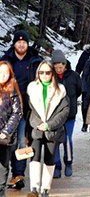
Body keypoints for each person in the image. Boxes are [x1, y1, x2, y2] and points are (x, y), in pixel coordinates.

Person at [1, 29, 42, 190]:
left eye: (24, 42)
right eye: (18, 42)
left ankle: (19, 174)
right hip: (7, 108)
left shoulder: (35, 60)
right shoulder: (6, 60)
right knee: (7, 142)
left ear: (27, 43)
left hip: (27, 108)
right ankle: (6, 173)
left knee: (22, 140)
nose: (21, 44)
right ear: (14, 44)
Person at [27, 60, 69, 197]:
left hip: (53, 130)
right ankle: (34, 188)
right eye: (41, 72)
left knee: (50, 158)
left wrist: (49, 125)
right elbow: (29, 110)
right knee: (35, 156)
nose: (44, 75)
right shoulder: (31, 88)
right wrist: (38, 124)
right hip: (36, 129)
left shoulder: (61, 90)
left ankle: (45, 188)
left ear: (52, 74)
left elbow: (64, 111)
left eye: (47, 72)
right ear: (38, 73)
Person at [51, 50, 82, 179]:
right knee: (55, 140)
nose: (59, 69)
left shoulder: (74, 76)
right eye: (56, 67)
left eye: (61, 66)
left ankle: (68, 163)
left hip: (69, 114)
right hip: (55, 115)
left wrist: (72, 101)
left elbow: (79, 90)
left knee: (67, 139)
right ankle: (56, 165)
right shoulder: (50, 76)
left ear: (65, 65)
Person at [0, 61, 22, 197]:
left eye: (5, 73)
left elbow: (17, 113)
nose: (2, 75)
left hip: (4, 137)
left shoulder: (12, 90)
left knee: (2, 166)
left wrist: (6, 131)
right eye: (0, 72)